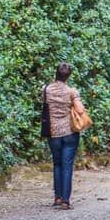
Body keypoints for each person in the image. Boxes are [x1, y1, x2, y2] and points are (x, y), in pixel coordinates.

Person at [42, 63, 82, 210]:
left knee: (57, 164)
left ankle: (57, 197)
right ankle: (66, 200)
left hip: (53, 132)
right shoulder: (72, 92)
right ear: (68, 76)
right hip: (70, 132)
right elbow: (79, 109)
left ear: (56, 74)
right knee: (67, 166)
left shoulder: (46, 90)